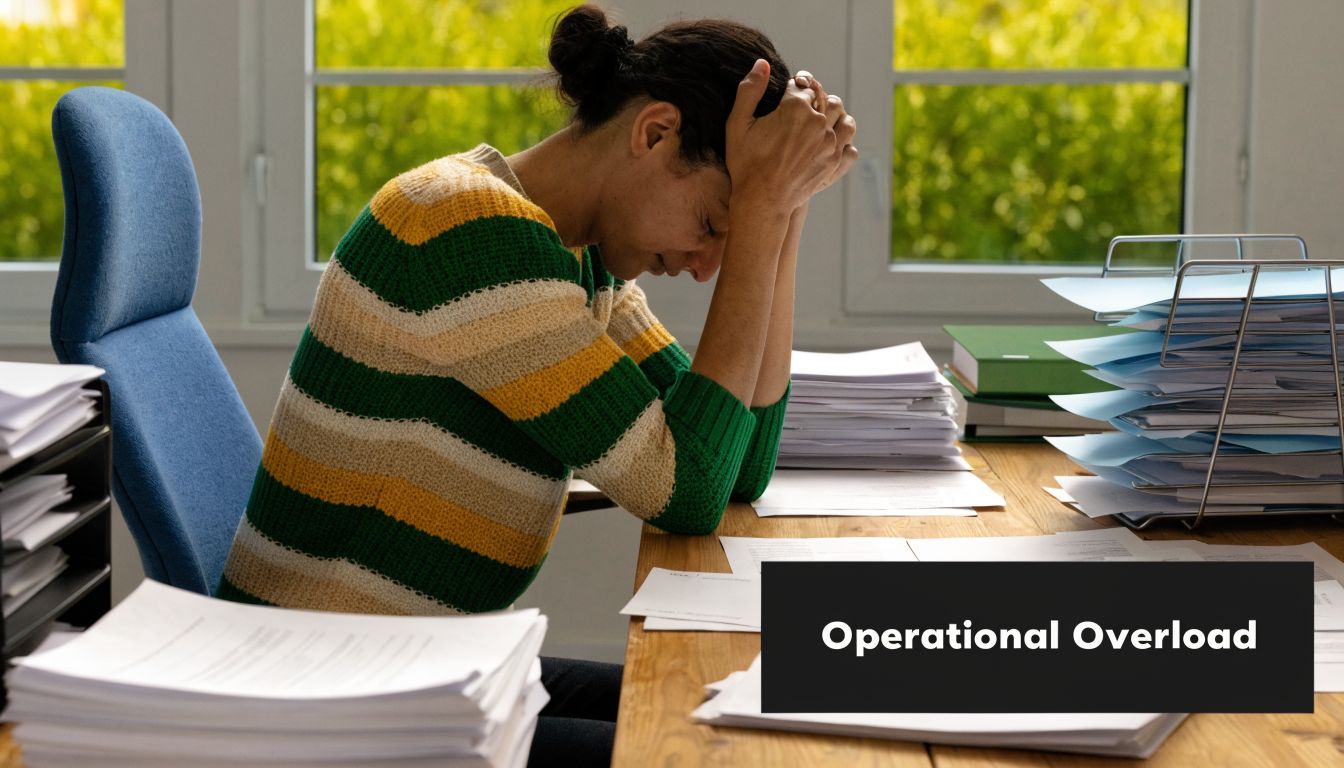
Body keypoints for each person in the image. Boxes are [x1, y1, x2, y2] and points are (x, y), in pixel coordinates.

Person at [215, 4, 856, 766]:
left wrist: (781, 212)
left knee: (739, 721)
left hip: (431, 667)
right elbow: (685, 489)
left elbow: (736, 468)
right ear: (654, 133)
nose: (708, 263)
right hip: (328, 696)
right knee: (699, 753)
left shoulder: (573, 258)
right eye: (716, 223)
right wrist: (762, 214)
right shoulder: (462, 226)